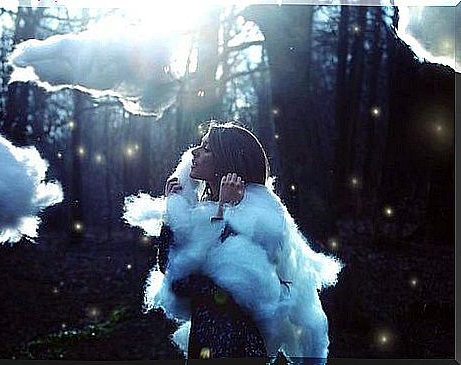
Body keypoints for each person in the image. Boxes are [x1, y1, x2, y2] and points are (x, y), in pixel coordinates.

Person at [123, 122, 342, 361]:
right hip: (207, 343)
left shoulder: (262, 215)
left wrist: (227, 210)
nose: (193, 153)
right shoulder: (204, 212)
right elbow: (169, 268)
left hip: (236, 346)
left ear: (226, 162)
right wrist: (174, 207)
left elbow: (220, 283)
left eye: (206, 149)